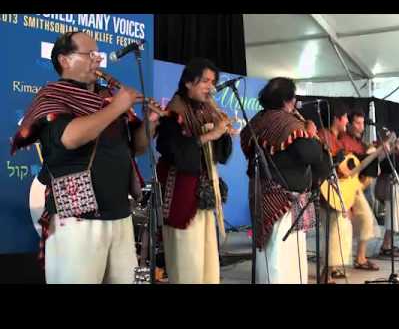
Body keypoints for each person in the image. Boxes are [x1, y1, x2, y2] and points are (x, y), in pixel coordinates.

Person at [11, 31, 162, 284]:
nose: (97, 60)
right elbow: (70, 138)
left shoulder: (107, 97)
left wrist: (151, 121)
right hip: (78, 219)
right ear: (65, 60)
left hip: (121, 215)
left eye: (98, 54)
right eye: (89, 54)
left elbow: (136, 148)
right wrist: (117, 107)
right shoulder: (52, 96)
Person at [240, 77, 329, 284]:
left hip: (264, 194)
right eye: (293, 98)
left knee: (271, 252)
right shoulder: (289, 123)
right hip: (283, 200)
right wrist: (311, 134)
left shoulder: (259, 120)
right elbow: (311, 154)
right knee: (284, 255)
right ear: (288, 101)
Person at [155, 58, 233, 284]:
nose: (210, 87)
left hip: (204, 196)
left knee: (208, 258)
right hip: (182, 196)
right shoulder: (173, 112)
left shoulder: (207, 110)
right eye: (205, 81)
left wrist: (223, 133)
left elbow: (220, 156)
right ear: (189, 82)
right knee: (188, 260)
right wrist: (210, 135)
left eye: (213, 82)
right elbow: (176, 154)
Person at [338, 109, 381, 271]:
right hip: (343, 187)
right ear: (348, 124)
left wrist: (377, 153)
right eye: (357, 123)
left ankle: (360, 258)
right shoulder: (343, 140)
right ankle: (339, 263)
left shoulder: (361, 143)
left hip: (356, 187)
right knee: (343, 225)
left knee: (366, 219)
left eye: (362, 123)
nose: (361, 126)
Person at [316, 102, 354, 283]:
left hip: (337, 187)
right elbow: (326, 162)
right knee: (332, 231)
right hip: (327, 188)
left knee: (339, 229)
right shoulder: (324, 135)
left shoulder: (338, 138)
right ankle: (326, 272)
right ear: (336, 118)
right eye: (345, 117)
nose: (348, 120)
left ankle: (331, 269)